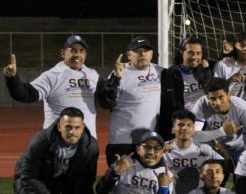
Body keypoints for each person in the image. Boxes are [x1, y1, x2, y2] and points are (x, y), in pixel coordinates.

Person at [4, 35, 102, 138]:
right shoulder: (53, 75)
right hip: (58, 144)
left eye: (81, 51)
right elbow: (25, 94)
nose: (77, 54)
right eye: (73, 50)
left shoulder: (93, 75)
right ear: (63, 53)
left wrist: (116, 78)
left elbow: (107, 98)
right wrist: (12, 78)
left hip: (87, 145)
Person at [96, 36, 164, 165]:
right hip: (123, 141)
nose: (142, 54)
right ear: (129, 54)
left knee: (148, 182)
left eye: (146, 50)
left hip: (150, 143)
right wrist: (116, 78)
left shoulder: (160, 72)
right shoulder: (120, 72)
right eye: (138, 51)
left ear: (151, 54)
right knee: (120, 182)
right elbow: (106, 102)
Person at [190, 77, 246, 175]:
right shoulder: (202, 104)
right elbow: (193, 136)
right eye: (212, 99)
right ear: (207, 98)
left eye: (221, 97)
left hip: (240, 149)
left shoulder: (244, 110)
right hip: (216, 148)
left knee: (241, 183)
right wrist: (222, 131)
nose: (217, 102)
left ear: (228, 95)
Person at [162, 109, 226, 194]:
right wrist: (159, 152)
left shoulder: (203, 149)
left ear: (193, 129)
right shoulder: (163, 149)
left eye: (189, 125)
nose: (184, 128)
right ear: (173, 129)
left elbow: (225, 166)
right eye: (180, 125)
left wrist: (223, 151)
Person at [159, 37, 214, 140]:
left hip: (206, 123)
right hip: (184, 126)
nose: (195, 57)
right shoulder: (170, 74)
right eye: (190, 53)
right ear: (181, 53)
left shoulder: (206, 70)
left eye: (198, 53)